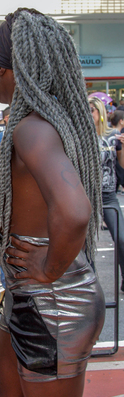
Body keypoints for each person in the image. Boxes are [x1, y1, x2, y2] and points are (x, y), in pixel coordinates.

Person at [0, 8, 105, 397]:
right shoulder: (47, 121)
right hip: (31, 296)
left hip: (53, 300)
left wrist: (48, 269)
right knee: (5, 391)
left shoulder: (32, 127)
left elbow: (74, 210)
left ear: (4, 70)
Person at [89, 95, 124, 292]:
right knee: (86, 244)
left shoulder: (113, 136)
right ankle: (90, 283)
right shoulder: (81, 136)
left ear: (100, 112)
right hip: (88, 195)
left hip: (109, 194)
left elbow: (121, 167)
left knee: (121, 238)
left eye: (91, 109)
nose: (88, 113)